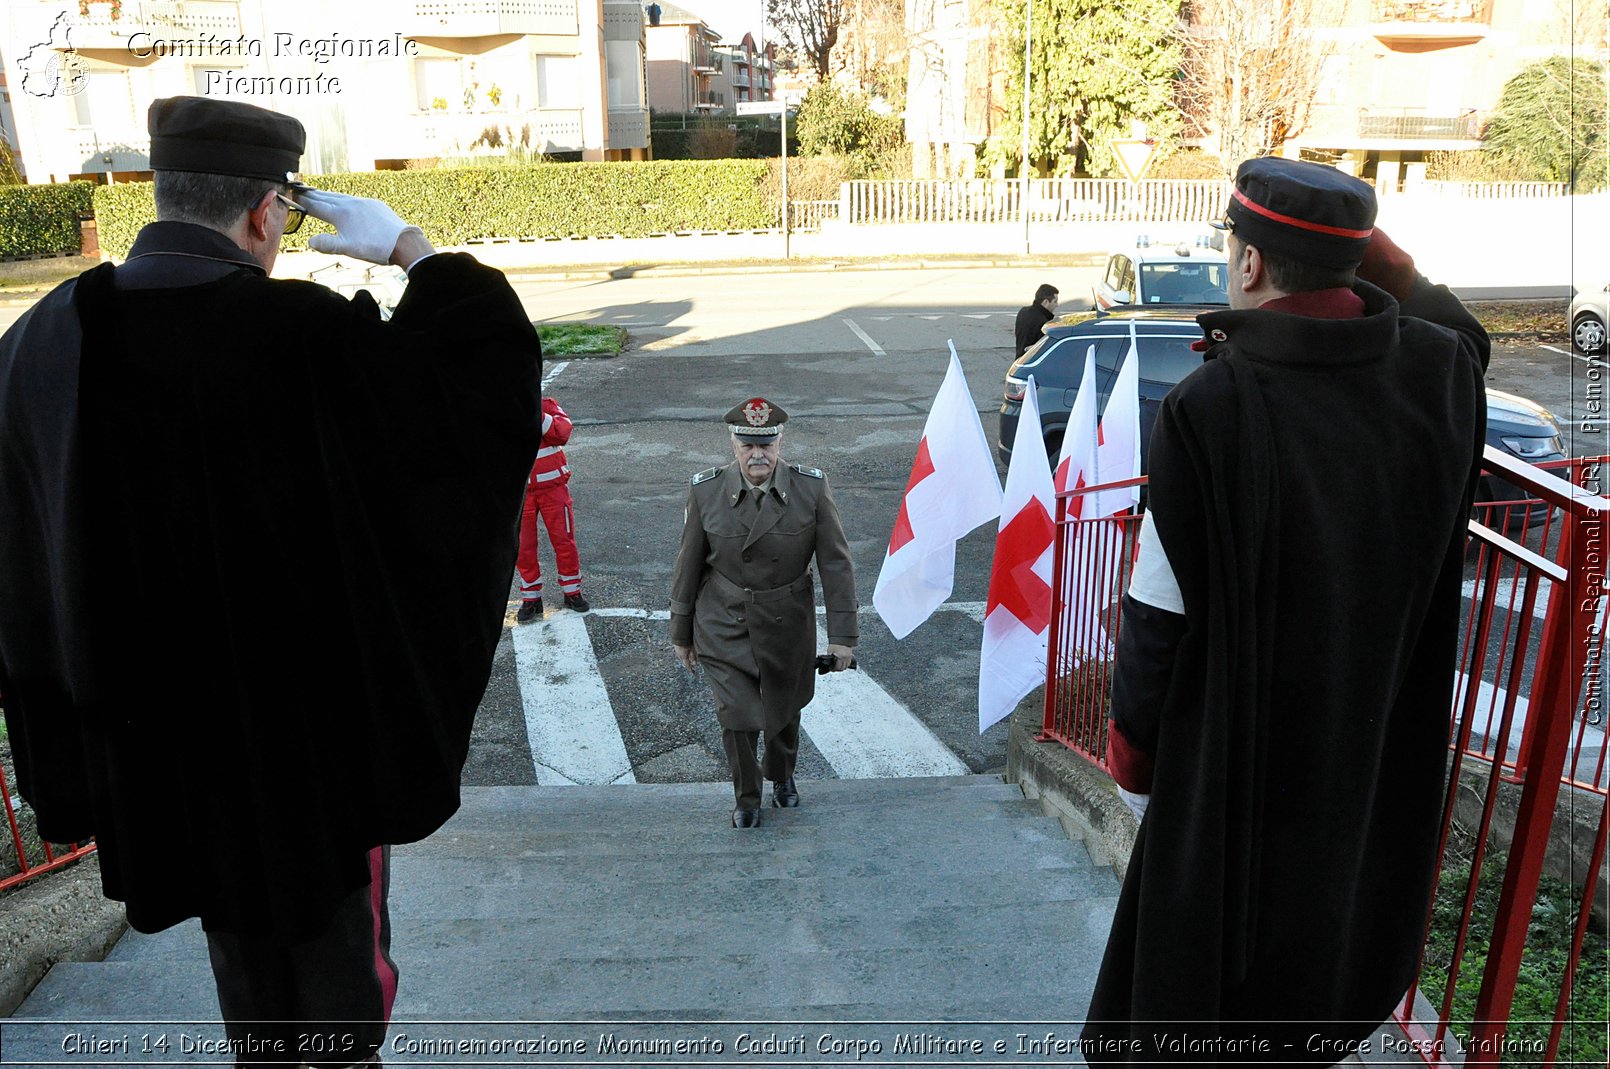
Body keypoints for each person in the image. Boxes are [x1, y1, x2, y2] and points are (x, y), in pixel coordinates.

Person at [0, 96, 540, 1067]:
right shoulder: (310, 337)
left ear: (160, 195)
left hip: (163, 760)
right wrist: (412, 249)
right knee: (336, 1015)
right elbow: (478, 391)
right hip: (310, 768)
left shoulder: (47, 343)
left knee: (249, 997)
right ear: (263, 215)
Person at [1080, 157, 1489, 1061]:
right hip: (1373, 765)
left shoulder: (1208, 405)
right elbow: (1459, 331)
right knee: (1324, 981)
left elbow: (1159, 616)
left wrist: (1135, 761)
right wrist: (1365, 250)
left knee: (1199, 1007)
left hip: (1238, 786)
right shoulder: (1439, 374)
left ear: (1253, 266)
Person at [669, 398, 857, 828]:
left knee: (784, 709)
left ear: (780, 442)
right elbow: (689, 563)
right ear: (733, 442)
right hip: (723, 620)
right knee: (737, 715)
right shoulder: (705, 490)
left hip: (786, 620)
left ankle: (783, 776)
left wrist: (844, 637)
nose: (758, 455)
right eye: (747, 445)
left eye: (766, 445)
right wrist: (681, 633)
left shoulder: (810, 488)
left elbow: (835, 562)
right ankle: (747, 797)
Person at [516, 395, 589, 622]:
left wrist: (536, 411)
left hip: (553, 490)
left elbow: (562, 433)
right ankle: (531, 598)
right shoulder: (504, 408)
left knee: (564, 541)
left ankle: (572, 592)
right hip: (521, 494)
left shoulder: (546, 404)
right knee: (523, 548)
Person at [1014, 282, 1059, 358]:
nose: (1057, 305)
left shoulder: (1023, 311)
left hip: (1019, 359)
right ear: (1045, 302)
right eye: (1055, 301)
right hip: (1033, 362)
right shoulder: (1043, 323)